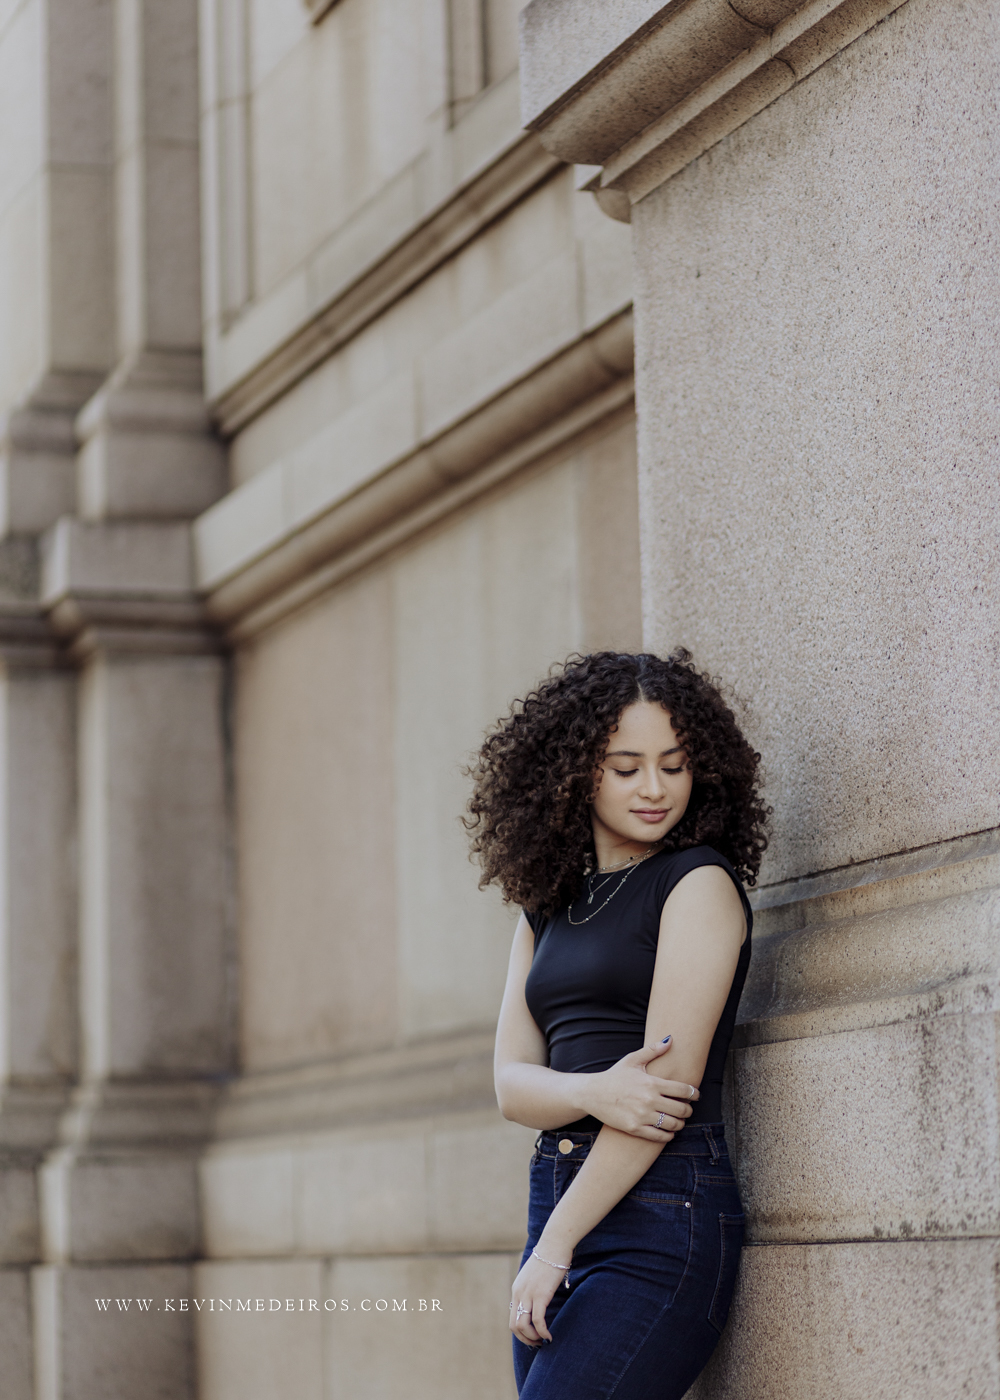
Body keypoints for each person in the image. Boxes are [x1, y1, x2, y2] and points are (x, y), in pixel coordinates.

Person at [465, 649, 769, 1399]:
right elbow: (510, 1086)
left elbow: (659, 1101)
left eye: (674, 763)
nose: (655, 788)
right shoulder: (546, 905)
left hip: (662, 1214)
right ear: (573, 773)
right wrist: (597, 1093)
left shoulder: (696, 883)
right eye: (625, 767)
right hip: (559, 1195)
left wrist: (555, 1247)